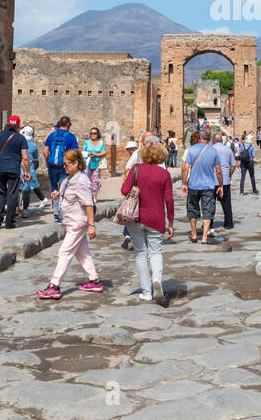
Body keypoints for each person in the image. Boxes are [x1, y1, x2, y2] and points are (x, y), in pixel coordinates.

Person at [37, 149, 104, 299]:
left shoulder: (81, 180)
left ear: (76, 163)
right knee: (82, 253)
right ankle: (95, 281)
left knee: (65, 252)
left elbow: (88, 204)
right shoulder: (71, 177)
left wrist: (91, 225)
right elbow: (71, 193)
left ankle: (54, 285)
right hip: (70, 222)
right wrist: (59, 194)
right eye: (64, 164)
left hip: (77, 223)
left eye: (67, 164)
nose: (64, 167)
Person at [121, 137, 175, 305]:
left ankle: (146, 292)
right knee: (156, 252)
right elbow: (169, 200)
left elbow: (124, 190)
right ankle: (157, 280)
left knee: (140, 254)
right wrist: (171, 222)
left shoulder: (136, 169)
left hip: (136, 217)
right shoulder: (164, 174)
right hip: (156, 218)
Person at [0, 115, 30, 229]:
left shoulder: (0, 135)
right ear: (18, 126)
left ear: (8, 125)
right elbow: (25, 157)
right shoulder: (21, 138)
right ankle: (9, 221)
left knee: (0, 193)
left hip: (0, 168)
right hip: (14, 169)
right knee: (12, 195)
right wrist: (27, 171)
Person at [181, 129, 222, 244]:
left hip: (193, 185)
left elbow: (185, 168)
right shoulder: (213, 151)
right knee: (208, 211)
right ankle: (204, 238)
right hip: (208, 185)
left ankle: (194, 234)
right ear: (209, 139)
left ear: (199, 137)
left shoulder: (191, 150)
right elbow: (218, 171)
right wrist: (221, 185)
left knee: (192, 209)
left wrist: (184, 183)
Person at [43, 116, 79, 222]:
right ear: (68, 125)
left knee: (54, 189)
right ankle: (63, 213)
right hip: (65, 167)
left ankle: (55, 213)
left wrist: (48, 161)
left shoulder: (52, 135)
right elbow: (75, 153)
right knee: (64, 189)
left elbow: (45, 151)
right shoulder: (71, 136)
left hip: (52, 166)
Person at [211, 132, 235, 230]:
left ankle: (209, 224)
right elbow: (233, 165)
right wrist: (229, 175)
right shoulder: (228, 150)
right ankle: (228, 223)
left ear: (213, 140)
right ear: (222, 140)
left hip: (212, 180)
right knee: (226, 203)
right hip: (225, 180)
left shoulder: (210, 150)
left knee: (210, 204)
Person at [20, 126, 46, 213]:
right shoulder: (33, 145)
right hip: (29, 168)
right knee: (28, 188)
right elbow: (35, 157)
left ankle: (18, 208)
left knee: (19, 188)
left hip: (20, 167)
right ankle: (25, 210)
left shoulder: (19, 142)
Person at [82, 127, 108, 197]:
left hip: (97, 165)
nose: (92, 135)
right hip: (87, 165)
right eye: (91, 133)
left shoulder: (101, 142)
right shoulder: (87, 142)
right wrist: (88, 154)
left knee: (95, 182)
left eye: (94, 133)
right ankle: (88, 196)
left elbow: (105, 152)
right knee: (88, 182)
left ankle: (94, 197)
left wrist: (96, 155)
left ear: (98, 134)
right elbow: (82, 151)